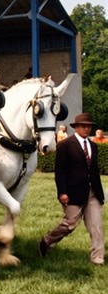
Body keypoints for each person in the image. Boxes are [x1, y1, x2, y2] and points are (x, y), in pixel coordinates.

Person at [40, 113, 105, 265]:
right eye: (83, 126)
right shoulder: (65, 145)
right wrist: (62, 192)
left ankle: (97, 258)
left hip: (93, 193)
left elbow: (94, 171)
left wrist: (100, 194)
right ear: (76, 128)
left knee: (96, 227)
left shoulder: (93, 146)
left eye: (89, 126)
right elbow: (60, 171)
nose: (87, 129)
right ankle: (47, 240)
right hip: (73, 192)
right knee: (69, 224)